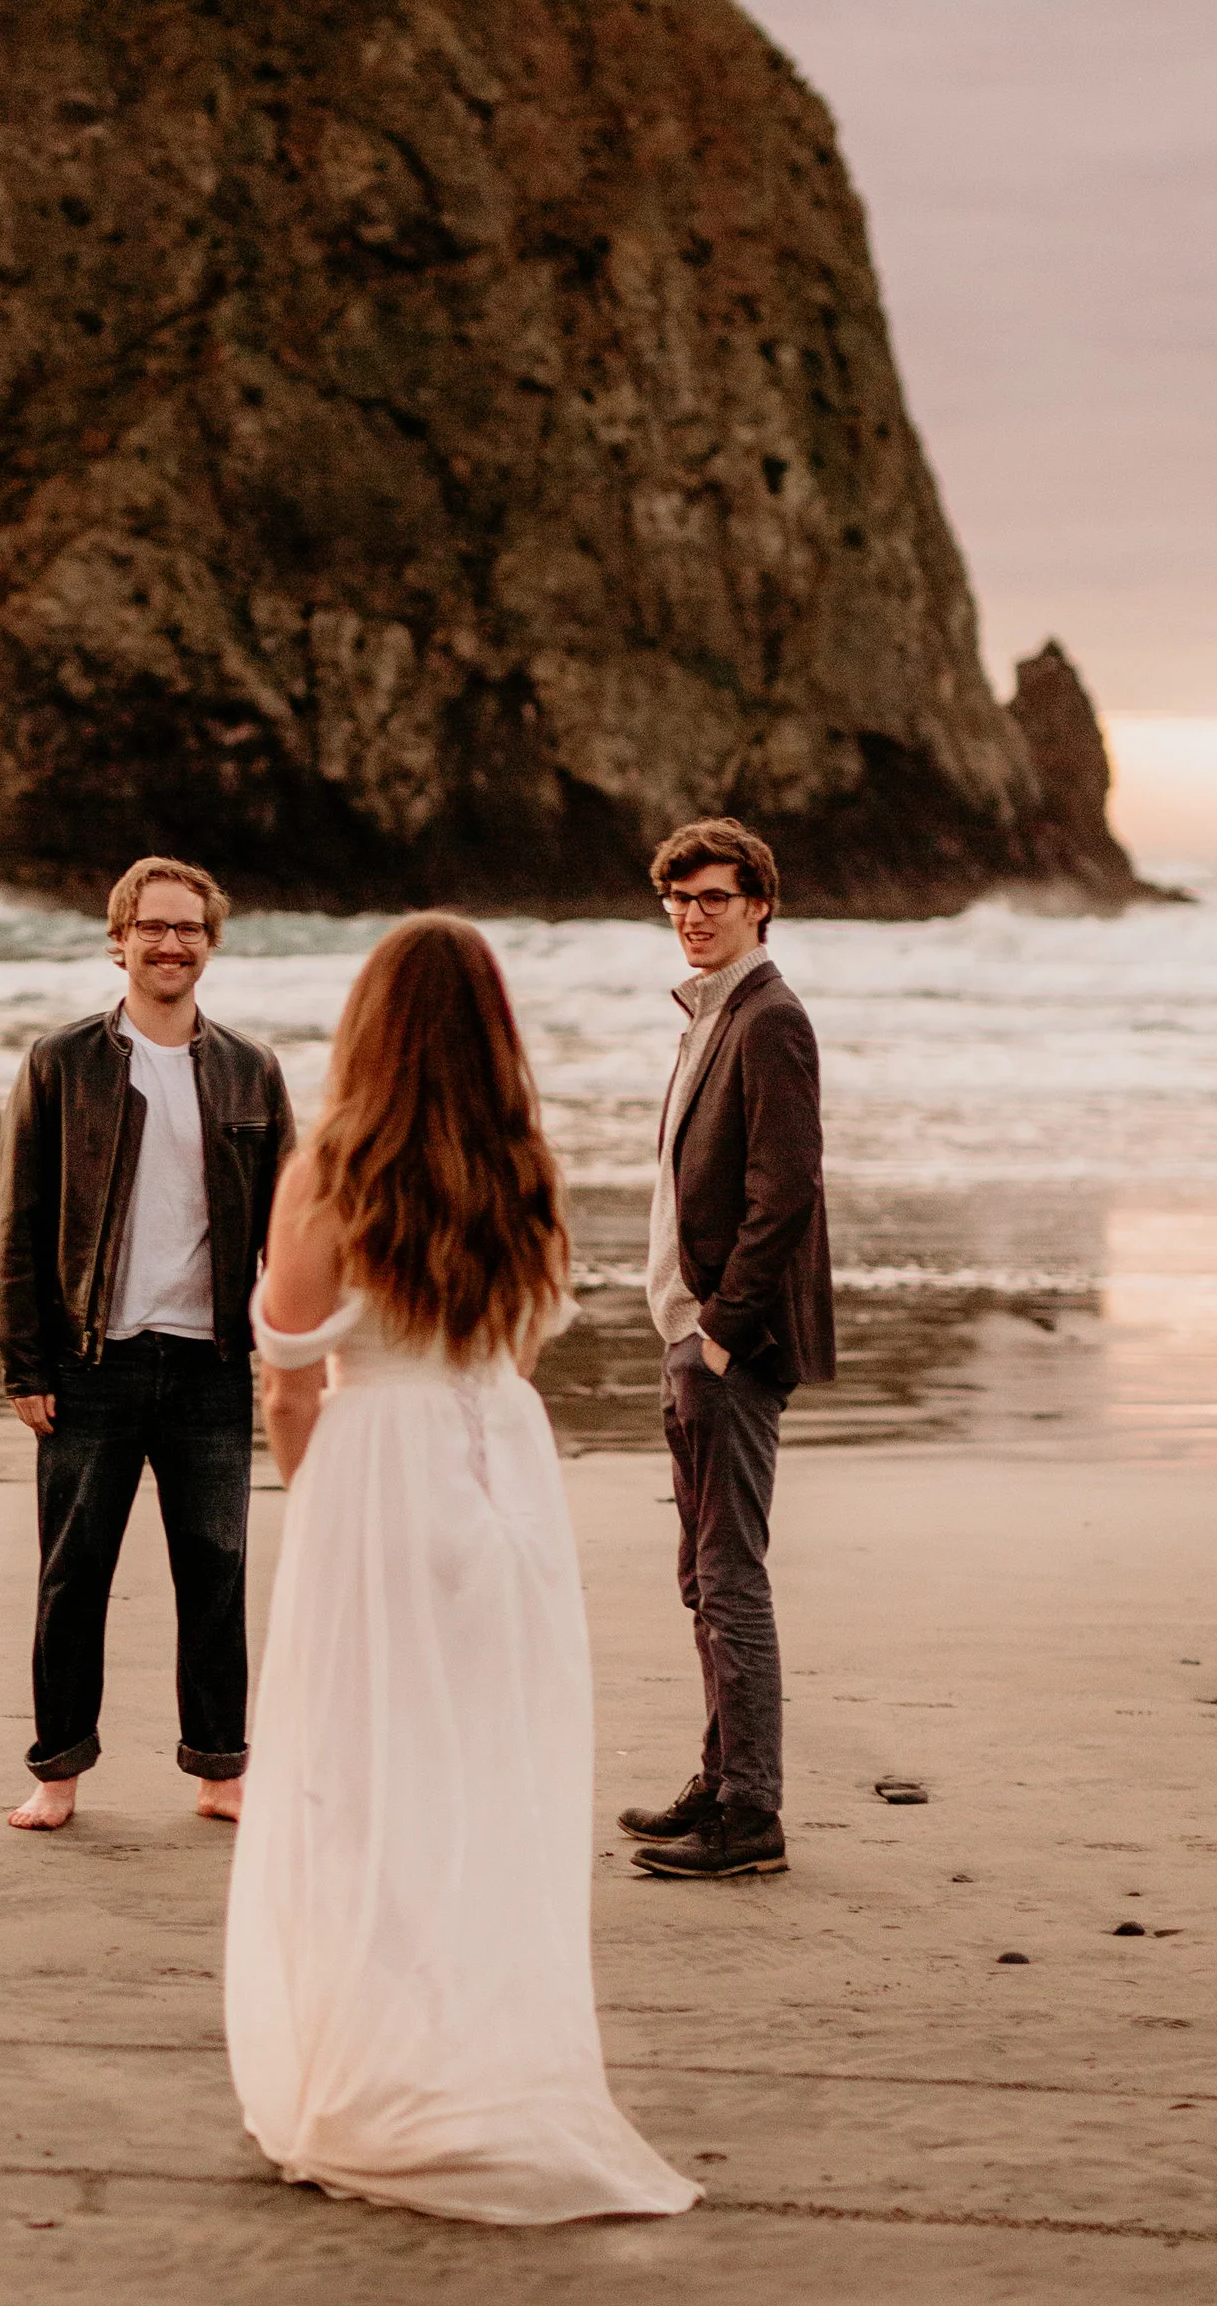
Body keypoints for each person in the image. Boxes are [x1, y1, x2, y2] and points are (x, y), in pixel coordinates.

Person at [224, 914, 698, 2226]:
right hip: (506, 1482)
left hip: (378, 1474)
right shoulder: (520, 1163)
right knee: (485, 1785)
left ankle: (372, 2076)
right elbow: (522, 1343)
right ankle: (471, 2066)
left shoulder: (330, 1166)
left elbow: (285, 1361)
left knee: (360, 1787)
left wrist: (321, 1488)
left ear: (370, 1024)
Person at [0, 856, 295, 1832]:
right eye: (154, 927)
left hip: (209, 1364)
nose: (172, 945)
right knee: (72, 1579)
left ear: (211, 943)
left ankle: (219, 1767)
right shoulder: (61, 1062)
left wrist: (290, 1348)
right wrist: (24, 1363)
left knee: (215, 1574)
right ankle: (56, 1774)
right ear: (117, 937)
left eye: (190, 930)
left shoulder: (250, 1069)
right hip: (91, 1363)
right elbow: (21, 1222)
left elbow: (291, 1229)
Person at [620, 817, 836, 1885]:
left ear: (759, 903)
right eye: (678, 898)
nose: (690, 916)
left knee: (728, 1575)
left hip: (726, 1344)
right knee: (699, 1578)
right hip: (690, 1329)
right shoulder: (708, 1015)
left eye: (712, 897)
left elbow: (783, 1191)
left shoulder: (768, 1019)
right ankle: (720, 1777)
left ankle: (751, 1813)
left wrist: (721, 1331)